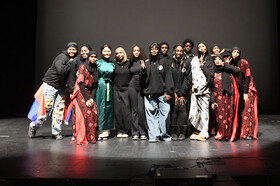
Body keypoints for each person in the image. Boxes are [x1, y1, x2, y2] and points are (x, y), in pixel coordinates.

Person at [28, 42, 78, 140]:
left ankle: (56, 132)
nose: (72, 51)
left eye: (74, 49)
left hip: (62, 87)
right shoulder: (62, 57)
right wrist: (70, 63)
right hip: (51, 85)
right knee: (46, 109)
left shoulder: (74, 60)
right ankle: (33, 126)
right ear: (67, 49)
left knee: (59, 110)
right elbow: (61, 71)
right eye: (70, 49)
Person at [140, 43, 174, 143]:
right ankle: (153, 136)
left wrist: (169, 92)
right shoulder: (146, 63)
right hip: (150, 93)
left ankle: (163, 135)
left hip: (163, 94)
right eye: (152, 49)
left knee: (164, 115)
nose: (154, 50)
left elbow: (168, 77)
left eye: (156, 49)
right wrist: (142, 71)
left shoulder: (164, 62)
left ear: (158, 50)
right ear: (150, 51)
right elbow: (142, 81)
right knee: (151, 116)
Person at [210, 55, 240, 141]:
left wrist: (226, 65)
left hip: (228, 97)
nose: (217, 61)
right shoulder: (213, 72)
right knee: (220, 117)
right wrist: (212, 101)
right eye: (216, 60)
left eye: (219, 59)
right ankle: (222, 133)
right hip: (218, 98)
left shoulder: (227, 70)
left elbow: (237, 70)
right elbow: (211, 88)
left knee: (229, 116)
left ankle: (229, 134)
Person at [189, 42, 214, 141]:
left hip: (205, 89)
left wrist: (203, 65)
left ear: (206, 48)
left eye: (203, 46)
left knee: (204, 111)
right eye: (199, 47)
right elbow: (192, 73)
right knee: (196, 111)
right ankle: (200, 129)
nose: (201, 48)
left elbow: (210, 76)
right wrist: (192, 85)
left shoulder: (209, 60)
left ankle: (205, 131)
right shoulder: (194, 59)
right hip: (195, 89)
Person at [231, 47, 258, 140]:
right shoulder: (230, 62)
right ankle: (239, 131)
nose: (236, 54)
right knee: (238, 111)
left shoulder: (243, 62)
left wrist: (245, 92)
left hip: (247, 88)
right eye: (234, 52)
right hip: (236, 89)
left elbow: (247, 77)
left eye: (238, 52)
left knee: (247, 111)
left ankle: (247, 133)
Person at [72, 51, 98, 144]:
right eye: (92, 57)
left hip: (89, 93)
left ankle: (91, 136)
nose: (93, 59)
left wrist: (91, 98)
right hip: (81, 92)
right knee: (87, 113)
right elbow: (81, 83)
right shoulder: (83, 67)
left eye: (95, 57)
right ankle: (83, 137)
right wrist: (87, 100)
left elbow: (95, 85)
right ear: (88, 58)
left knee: (94, 112)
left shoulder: (95, 68)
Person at [170, 45, 192, 140]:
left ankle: (182, 132)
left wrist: (182, 93)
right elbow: (169, 78)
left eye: (180, 51)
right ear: (174, 51)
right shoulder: (171, 62)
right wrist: (174, 92)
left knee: (183, 110)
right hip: (173, 92)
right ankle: (174, 132)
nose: (178, 53)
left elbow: (188, 78)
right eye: (177, 51)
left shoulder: (187, 62)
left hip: (184, 92)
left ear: (183, 52)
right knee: (174, 111)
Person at [128, 45, 148, 140]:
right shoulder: (130, 62)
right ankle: (135, 132)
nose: (136, 52)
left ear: (140, 52)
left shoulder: (144, 61)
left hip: (142, 87)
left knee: (141, 110)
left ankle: (143, 132)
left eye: (138, 50)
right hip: (132, 87)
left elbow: (146, 76)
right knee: (134, 110)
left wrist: (144, 69)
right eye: (134, 50)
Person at [96, 44, 115, 140]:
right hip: (101, 86)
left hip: (109, 87)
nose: (107, 53)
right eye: (105, 51)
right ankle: (99, 130)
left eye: (108, 51)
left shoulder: (113, 64)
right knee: (100, 107)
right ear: (101, 52)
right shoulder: (97, 63)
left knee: (108, 107)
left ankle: (106, 131)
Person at [113, 47, 131, 138]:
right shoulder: (113, 64)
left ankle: (126, 130)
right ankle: (119, 130)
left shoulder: (129, 63)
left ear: (124, 53)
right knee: (117, 111)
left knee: (126, 111)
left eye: (120, 53)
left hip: (127, 90)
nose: (119, 55)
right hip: (116, 90)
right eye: (117, 53)